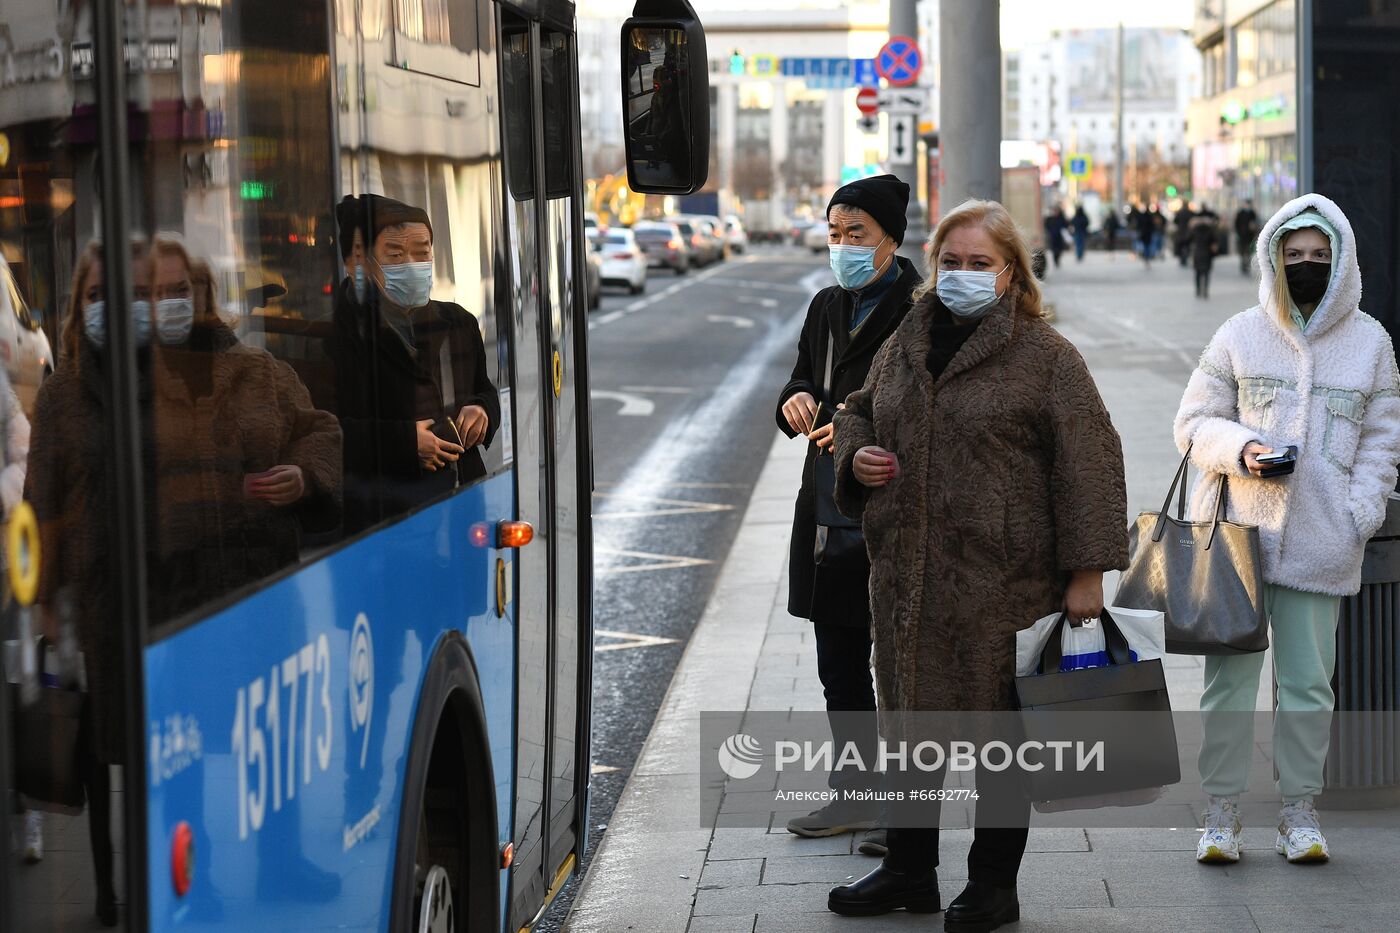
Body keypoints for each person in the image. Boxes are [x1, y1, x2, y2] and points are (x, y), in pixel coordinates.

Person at [826, 199, 1128, 927]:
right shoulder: (909, 335)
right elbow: (858, 407)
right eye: (950, 262)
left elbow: (1091, 460)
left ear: (1011, 272)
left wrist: (1088, 573)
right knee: (908, 730)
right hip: (908, 580)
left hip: (1004, 587)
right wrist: (854, 452)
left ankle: (993, 883)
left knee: (1002, 740)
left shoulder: (1045, 356)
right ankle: (907, 871)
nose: (962, 275)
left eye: (979, 263)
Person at [1174, 193, 1400, 866]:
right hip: (1235, 536)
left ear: (1343, 264)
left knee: (1308, 683)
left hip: (1322, 540)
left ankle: (1300, 812)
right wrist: (1241, 448)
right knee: (1228, 683)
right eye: (1294, 255)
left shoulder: (1370, 344)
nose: (1306, 266)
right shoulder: (1240, 333)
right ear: (1272, 259)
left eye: (1319, 257)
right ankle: (1220, 813)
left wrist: (1361, 512)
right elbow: (1192, 422)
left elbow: (1383, 440)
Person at [776, 174, 922, 854]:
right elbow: (805, 376)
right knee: (839, 657)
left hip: (898, 509)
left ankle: (906, 816)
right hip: (830, 508)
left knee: (902, 665)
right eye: (834, 235)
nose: (843, 247)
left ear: (891, 236)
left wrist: (862, 429)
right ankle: (856, 791)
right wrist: (798, 401)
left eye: (856, 234)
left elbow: (932, 411)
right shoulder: (826, 306)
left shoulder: (923, 310)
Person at [143, 236, 342, 621]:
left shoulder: (259, 371)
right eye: (157, 292)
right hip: (173, 608)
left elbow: (320, 432)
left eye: (181, 289)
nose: (170, 303)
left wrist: (304, 475)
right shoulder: (129, 384)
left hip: (267, 592)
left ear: (204, 292)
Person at [332, 194, 501, 533]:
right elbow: (323, 430)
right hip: (383, 514)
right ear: (356, 264)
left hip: (463, 502)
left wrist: (482, 410)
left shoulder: (457, 322)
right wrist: (404, 444)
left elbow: (484, 389)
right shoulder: (333, 333)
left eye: (422, 252)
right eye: (395, 254)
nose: (412, 264)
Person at [1189, 207, 1220, 299]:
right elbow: (1216, 241)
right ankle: (1205, 291)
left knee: (1198, 273)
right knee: (1206, 273)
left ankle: (1198, 290)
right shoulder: (1210, 230)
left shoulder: (1195, 230)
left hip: (1197, 253)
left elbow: (1188, 239)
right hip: (1207, 254)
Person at [1235, 199, 1260, 274]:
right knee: (1242, 251)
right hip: (1242, 235)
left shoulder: (1252, 213)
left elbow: (1256, 223)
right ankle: (1243, 265)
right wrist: (1238, 233)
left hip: (1250, 236)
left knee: (1248, 251)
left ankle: (1247, 265)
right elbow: (1236, 224)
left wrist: (1254, 229)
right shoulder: (1240, 213)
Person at [1174, 201, 1197, 267]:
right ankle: (1185, 257)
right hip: (1188, 231)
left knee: (1181, 245)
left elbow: (1175, 221)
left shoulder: (1179, 212)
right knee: (1187, 245)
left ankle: (1182, 259)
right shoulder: (1190, 212)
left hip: (1181, 231)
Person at [1135, 202, 1157, 266]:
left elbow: (1138, 225)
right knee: (1148, 246)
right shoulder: (1150, 216)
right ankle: (1147, 256)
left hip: (1143, 233)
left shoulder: (1141, 216)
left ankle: (1145, 256)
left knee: (1144, 245)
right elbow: (1153, 225)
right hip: (1148, 233)